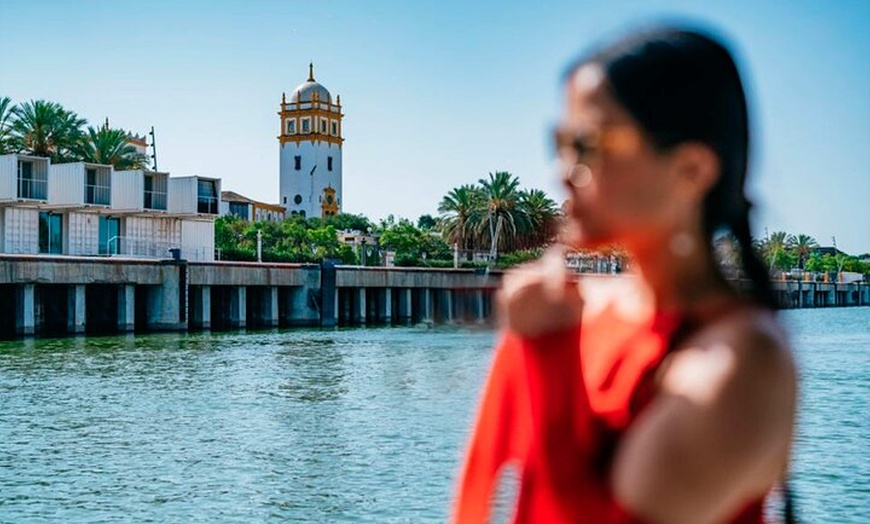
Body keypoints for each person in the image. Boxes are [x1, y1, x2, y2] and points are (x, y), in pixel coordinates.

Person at [452, 26, 797, 524]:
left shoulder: (744, 362)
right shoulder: (577, 305)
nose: (563, 172)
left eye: (589, 146)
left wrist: (550, 356)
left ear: (691, 171)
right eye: (562, 143)